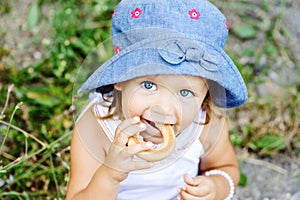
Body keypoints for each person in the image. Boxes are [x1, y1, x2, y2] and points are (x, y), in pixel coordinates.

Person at [66, 0, 248, 199]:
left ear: (206, 95)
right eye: (148, 85)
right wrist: (109, 175)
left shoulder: (205, 123)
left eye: (185, 93)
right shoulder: (96, 127)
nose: (163, 108)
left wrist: (214, 187)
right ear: (120, 78)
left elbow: (226, 167)